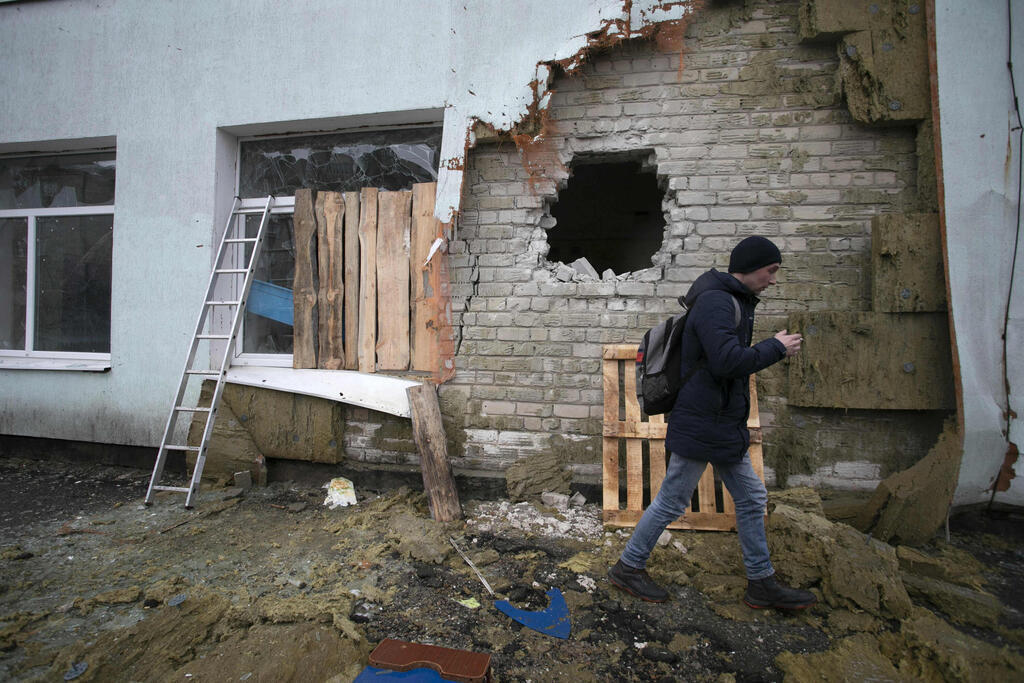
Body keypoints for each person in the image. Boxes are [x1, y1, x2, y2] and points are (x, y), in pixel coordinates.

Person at [608, 236, 817, 610]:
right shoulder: (717, 302)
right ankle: (629, 566)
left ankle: (761, 582)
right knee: (672, 502)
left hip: (720, 422)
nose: (773, 280)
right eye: (770, 271)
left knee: (752, 498)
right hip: (702, 422)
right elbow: (726, 362)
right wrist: (776, 347)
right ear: (752, 267)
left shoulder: (732, 301)